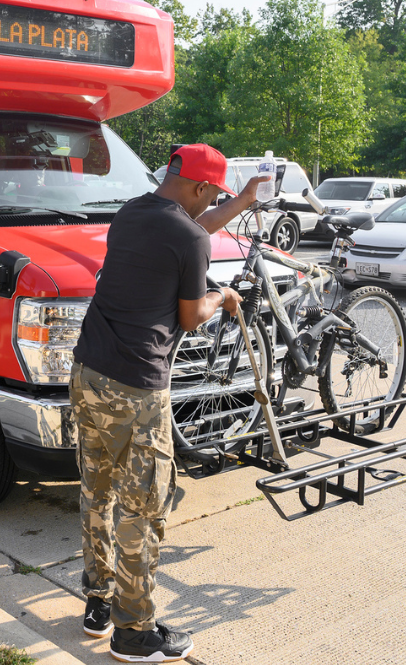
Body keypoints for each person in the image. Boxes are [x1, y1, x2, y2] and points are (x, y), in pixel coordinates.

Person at [70, 143, 263, 662]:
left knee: (97, 491)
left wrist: (243, 200)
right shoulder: (190, 237)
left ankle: (98, 602)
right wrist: (223, 297)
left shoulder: (132, 212)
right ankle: (135, 633)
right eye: (214, 195)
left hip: (88, 371)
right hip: (136, 388)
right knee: (144, 508)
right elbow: (192, 315)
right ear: (199, 187)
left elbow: (191, 228)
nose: (212, 203)